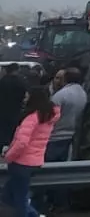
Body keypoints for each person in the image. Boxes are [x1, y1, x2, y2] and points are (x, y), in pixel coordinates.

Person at [3, 86, 59, 217]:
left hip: (21, 163)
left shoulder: (31, 118)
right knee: (8, 195)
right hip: (35, 161)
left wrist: (8, 156)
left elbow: (22, 142)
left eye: (27, 96)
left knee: (19, 200)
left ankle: (34, 214)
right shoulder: (48, 117)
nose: (25, 98)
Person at [39, 67, 85, 211]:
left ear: (66, 78)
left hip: (54, 137)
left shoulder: (61, 95)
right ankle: (60, 203)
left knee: (45, 173)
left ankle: (43, 205)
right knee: (60, 172)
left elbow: (48, 117)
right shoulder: (82, 93)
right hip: (68, 136)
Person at [0, 64, 25, 148]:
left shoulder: (2, 81)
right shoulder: (21, 82)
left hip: (2, 110)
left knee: (2, 130)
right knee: (11, 132)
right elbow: (23, 96)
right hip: (15, 111)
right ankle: (8, 148)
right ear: (16, 70)